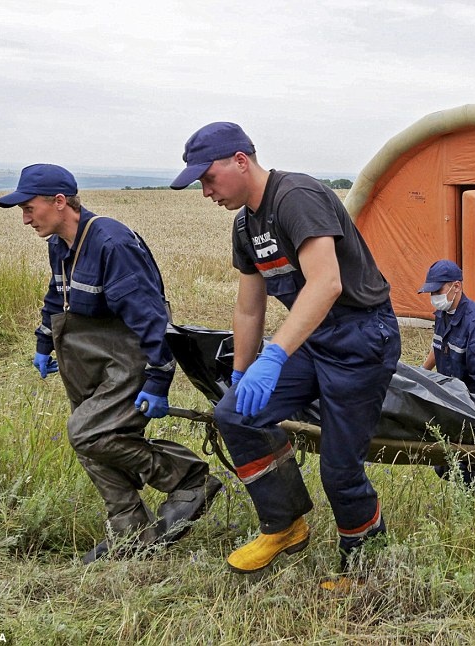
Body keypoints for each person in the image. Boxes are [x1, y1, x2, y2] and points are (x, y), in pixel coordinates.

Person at [170, 122, 401, 585]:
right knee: (234, 415)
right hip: (311, 338)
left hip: (360, 337)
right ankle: (286, 524)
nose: (205, 192)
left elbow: (328, 283)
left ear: (240, 160)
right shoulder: (246, 225)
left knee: (340, 468)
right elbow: (248, 308)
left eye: (208, 178)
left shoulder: (295, 196)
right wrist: (240, 373)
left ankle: (363, 563)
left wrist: (274, 356)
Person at [0, 164, 221, 564]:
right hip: (88, 359)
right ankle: (130, 533)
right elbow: (58, 292)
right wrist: (44, 340)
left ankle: (187, 478)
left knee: (86, 432)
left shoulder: (112, 243)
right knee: (90, 444)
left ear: (60, 202)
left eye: (30, 208)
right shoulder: (59, 244)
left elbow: (150, 317)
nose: (26, 219)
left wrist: (157, 378)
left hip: (127, 357)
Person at [417, 259, 475, 485]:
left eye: (437, 291)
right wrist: (419, 375)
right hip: (453, 398)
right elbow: (437, 346)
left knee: (464, 468)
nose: (433, 297)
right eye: (430, 292)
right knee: (443, 465)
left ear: (456, 286)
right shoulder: (442, 314)